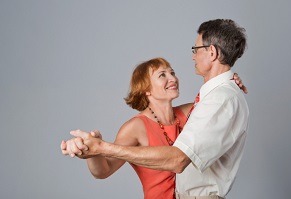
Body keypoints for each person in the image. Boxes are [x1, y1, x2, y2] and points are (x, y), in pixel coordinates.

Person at [61, 19, 248, 199]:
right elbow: (103, 171)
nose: (172, 78)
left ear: (213, 53)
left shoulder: (193, 111)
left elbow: (216, 101)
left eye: (172, 72)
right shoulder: (135, 127)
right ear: (146, 90)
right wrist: (91, 150)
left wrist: (228, 78)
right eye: (162, 75)